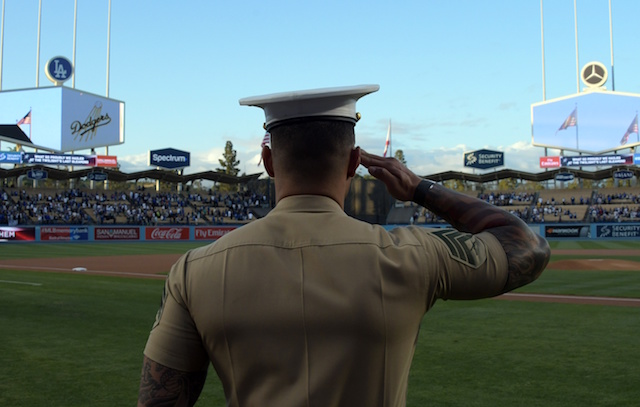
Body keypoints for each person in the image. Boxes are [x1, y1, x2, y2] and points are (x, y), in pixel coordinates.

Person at [137, 84, 551, 407]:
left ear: (267, 163)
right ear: (355, 163)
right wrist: (420, 188)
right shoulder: (413, 255)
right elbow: (526, 247)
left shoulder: (195, 270)